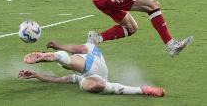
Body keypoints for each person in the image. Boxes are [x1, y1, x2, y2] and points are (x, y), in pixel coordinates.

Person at [19, 40, 165, 97]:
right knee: (97, 85)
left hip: (95, 64)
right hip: (93, 76)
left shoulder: (90, 48)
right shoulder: (78, 76)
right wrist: (36, 75)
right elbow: (56, 79)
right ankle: (143, 90)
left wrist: (58, 45)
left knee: (69, 61)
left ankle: (54, 56)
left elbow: (79, 48)